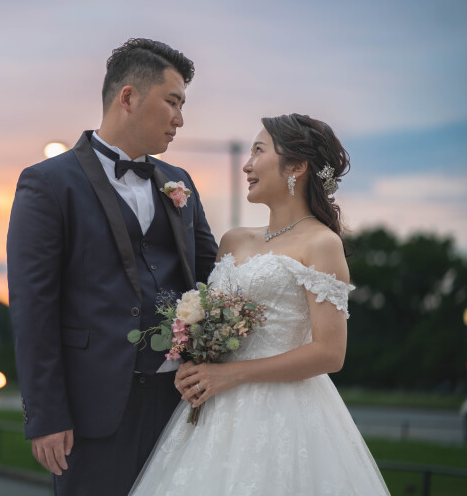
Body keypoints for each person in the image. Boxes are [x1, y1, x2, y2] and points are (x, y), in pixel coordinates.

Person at [129, 114, 390, 495]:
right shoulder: (233, 241)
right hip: (212, 412)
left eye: (258, 151)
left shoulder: (321, 244)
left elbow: (330, 353)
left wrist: (231, 375)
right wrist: (196, 362)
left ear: (296, 167)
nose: (247, 164)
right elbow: (214, 320)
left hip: (284, 410)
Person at [7, 38, 218, 496]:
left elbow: (212, 277)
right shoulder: (47, 184)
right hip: (92, 412)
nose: (180, 118)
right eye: (173, 101)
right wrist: (46, 416)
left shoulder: (179, 183)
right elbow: (32, 309)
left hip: (181, 403)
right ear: (128, 97)